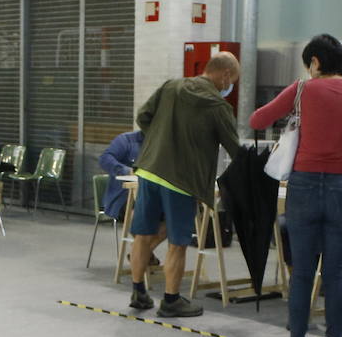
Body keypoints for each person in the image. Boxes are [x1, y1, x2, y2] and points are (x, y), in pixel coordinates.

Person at [250, 33, 342, 337]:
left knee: (302, 272)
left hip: (303, 184)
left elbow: (257, 120)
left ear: (315, 62)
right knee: (334, 273)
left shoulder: (304, 89)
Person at [128, 52, 242, 318]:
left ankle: (138, 292)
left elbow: (143, 116)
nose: (229, 86)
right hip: (181, 181)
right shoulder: (217, 106)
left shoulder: (171, 86)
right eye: (231, 80)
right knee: (177, 243)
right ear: (225, 75)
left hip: (150, 171)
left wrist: (160, 140)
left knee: (143, 235)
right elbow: (235, 148)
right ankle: (170, 300)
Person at [98, 128, 162, 269]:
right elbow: (104, 159)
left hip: (152, 198)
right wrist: (127, 171)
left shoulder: (162, 145)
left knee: (173, 216)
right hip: (122, 199)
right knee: (138, 217)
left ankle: (139, 251)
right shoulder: (126, 140)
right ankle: (143, 254)